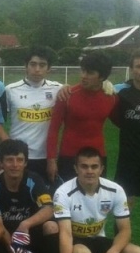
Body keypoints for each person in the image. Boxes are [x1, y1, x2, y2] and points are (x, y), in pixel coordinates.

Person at [54, 146, 140, 253]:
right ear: (76, 168)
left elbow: (125, 230)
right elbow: (65, 233)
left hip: (99, 239)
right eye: (84, 166)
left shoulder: (115, 190)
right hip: (76, 242)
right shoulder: (63, 192)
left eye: (94, 166)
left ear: (101, 169)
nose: (89, 171)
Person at [111, 48, 140, 253]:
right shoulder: (120, 92)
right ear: (132, 68)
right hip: (129, 161)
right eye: (139, 66)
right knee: (123, 207)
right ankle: (116, 251)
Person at [46, 50, 116, 184]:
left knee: (96, 200)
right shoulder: (67, 95)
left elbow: (121, 121)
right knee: (68, 201)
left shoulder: (111, 97)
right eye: (83, 71)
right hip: (69, 157)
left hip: (98, 157)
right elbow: (53, 130)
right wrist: (51, 160)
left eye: (90, 73)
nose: (83, 76)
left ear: (102, 77)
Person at [3, 47, 62, 180]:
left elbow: (78, 91)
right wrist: (8, 146)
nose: (37, 69)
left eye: (42, 65)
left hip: (46, 157)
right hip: (19, 157)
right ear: (26, 66)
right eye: (33, 64)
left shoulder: (58, 89)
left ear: (48, 68)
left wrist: (105, 84)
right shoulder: (11, 90)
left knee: (44, 198)